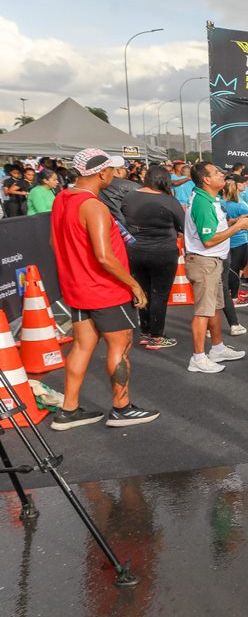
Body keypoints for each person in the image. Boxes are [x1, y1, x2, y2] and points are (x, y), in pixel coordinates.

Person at [48, 149, 159, 430]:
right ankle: (121, 407)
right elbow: (105, 256)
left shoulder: (62, 198)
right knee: (120, 347)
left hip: (78, 288)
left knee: (82, 347)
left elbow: (54, 243)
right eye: (112, 171)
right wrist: (134, 285)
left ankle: (69, 409)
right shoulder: (93, 206)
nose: (114, 175)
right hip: (105, 290)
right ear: (101, 173)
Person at [183, 162, 248, 374]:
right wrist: (237, 227)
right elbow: (209, 239)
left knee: (214, 307)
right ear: (206, 179)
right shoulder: (203, 203)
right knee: (203, 311)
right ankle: (198, 357)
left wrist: (233, 221)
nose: (222, 175)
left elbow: (215, 226)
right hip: (205, 260)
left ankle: (217, 348)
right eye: (216, 173)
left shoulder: (208, 199)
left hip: (213, 261)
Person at [123, 165, 185, 350]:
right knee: (160, 294)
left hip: (135, 250)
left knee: (142, 291)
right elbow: (183, 225)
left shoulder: (129, 196)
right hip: (163, 252)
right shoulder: (168, 200)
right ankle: (156, 337)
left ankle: (145, 332)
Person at [220, 179, 248, 332]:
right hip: (238, 240)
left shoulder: (219, 204)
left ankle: (232, 296)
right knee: (236, 269)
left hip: (224, 241)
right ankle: (234, 296)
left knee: (230, 270)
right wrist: (238, 222)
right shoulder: (241, 205)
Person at [96, 157, 138, 226]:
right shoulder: (132, 186)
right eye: (125, 169)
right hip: (127, 228)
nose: (127, 171)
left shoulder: (97, 185)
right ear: (119, 170)